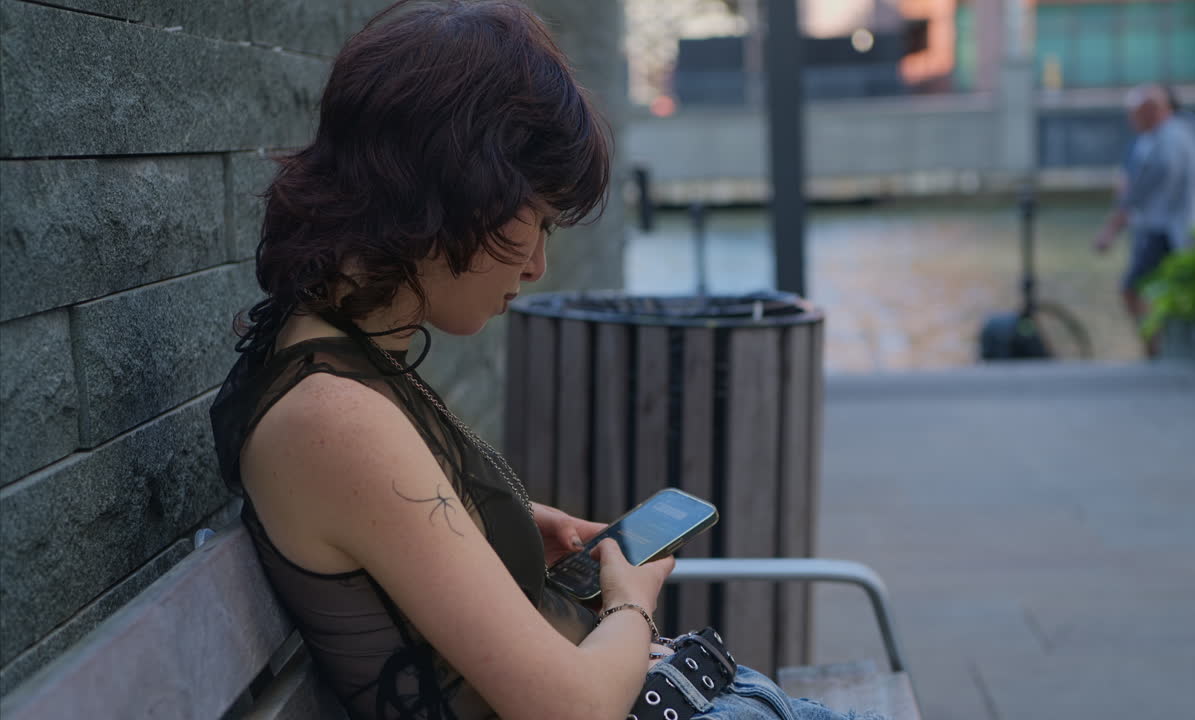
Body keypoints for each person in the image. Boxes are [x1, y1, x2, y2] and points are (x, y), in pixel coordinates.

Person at [209, 3, 876, 719]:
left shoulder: (335, 353)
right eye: (537, 221)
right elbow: (573, 710)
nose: (536, 266)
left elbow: (375, 522)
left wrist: (502, 523)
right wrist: (631, 602)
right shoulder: (330, 416)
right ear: (457, 188)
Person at [1094, 84, 1195, 356]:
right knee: (1168, 290)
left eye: (1135, 114)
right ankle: (1163, 348)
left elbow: (1145, 187)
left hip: (1165, 229)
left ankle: (1156, 350)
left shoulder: (1170, 140)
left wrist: (1112, 227)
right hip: (1175, 227)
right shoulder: (1170, 135)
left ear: (1153, 112)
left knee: (1132, 289)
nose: (1131, 121)